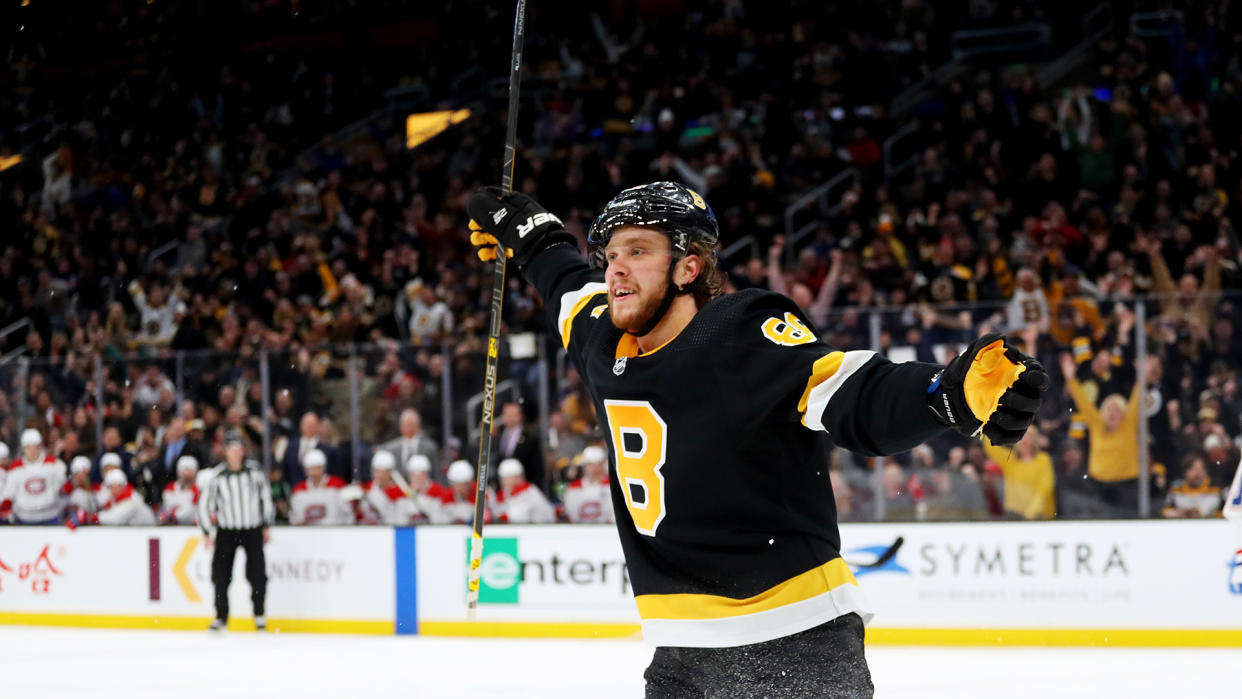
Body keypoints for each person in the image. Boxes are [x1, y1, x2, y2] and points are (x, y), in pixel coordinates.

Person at [467, 182, 1046, 697]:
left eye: (638, 251)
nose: (615, 269)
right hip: (679, 652)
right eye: (610, 255)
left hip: (793, 641)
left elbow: (853, 393)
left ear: (688, 268)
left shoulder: (742, 333)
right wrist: (533, 234)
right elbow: (566, 283)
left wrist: (945, 393)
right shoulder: (601, 337)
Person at [199, 433, 273, 632]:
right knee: (220, 575)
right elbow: (205, 504)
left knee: (257, 574)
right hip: (227, 531)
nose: (235, 452)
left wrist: (267, 524)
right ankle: (221, 616)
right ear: (225, 451)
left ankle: (259, 614)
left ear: (243, 450)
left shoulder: (254, 473)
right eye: (231, 448)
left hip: (252, 529)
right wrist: (206, 532)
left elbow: (265, 498)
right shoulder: (217, 476)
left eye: (238, 448)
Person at [1060, 354, 1142, 516]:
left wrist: (1142, 376)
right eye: (1109, 410)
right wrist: (1070, 378)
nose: (1113, 414)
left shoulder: (1129, 424)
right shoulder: (1097, 424)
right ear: (1103, 412)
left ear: (1124, 414)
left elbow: (1136, 399)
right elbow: (1083, 403)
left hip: (1127, 486)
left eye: (1117, 410)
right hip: (1099, 486)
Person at [982, 426, 1056, 520]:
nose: (1024, 441)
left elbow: (1045, 487)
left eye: (1028, 437)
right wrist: (989, 421)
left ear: (1034, 440)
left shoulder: (1043, 459)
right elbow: (991, 447)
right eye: (1020, 437)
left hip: (1040, 517)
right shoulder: (1010, 460)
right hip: (1014, 515)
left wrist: (1031, 512)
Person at [1, 429, 67, 524]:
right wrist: (6, 502)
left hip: (50, 515)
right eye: (29, 447)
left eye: (35, 447)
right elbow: (9, 491)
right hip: (24, 517)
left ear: (39, 447)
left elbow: (62, 484)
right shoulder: (16, 467)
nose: (32, 451)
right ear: (24, 448)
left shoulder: (53, 464)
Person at [289, 448, 350, 525]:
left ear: (323, 468)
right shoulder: (299, 489)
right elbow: (295, 516)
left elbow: (347, 513)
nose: (314, 471)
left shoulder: (337, 485)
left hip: (334, 530)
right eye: (311, 468)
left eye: (317, 467)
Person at [489, 458, 556, 524]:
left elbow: (519, 516)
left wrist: (501, 516)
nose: (504, 482)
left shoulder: (529, 491)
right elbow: (498, 510)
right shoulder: (507, 493)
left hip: (538, 530)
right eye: (503, 479)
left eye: (507, 479)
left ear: (517, 477)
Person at [379, 409, 440, 480]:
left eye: (412, 425)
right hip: (399, 488)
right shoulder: (390, 448)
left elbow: (437, 475)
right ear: (401, 427)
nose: (409, 428)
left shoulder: (430, 448)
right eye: (407, 425)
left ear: (418, 426)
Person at [362, 451, 417, 525]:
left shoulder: (401, 491)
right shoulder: (367, 490)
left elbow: (412, 512)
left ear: (390, 472)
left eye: (384, 472)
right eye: (377, 471)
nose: (379, 475)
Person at [563, 446, 614, 523]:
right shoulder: (573, 487)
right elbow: (570, 514)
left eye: (598, 464)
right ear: (585, 466)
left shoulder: (611, 486)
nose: (595, 468)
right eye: (591, 465)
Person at [1161, 454, 1223, 518]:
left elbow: (1228, 511)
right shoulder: (1176, 487)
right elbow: (1165, 511)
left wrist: (1212, 515)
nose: (1197, 474)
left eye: (1201, 469)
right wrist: (1182, 513)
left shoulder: (1217, 488)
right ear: (1185, 472)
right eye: (1193, 469)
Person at [440, 459, 489, 525]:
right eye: (457, 484)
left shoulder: (481, 493)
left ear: (470, 483)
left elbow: (489, 515)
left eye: (463, 484)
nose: (460, 488)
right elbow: (439, 519)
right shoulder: (446, 497)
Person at [406, 454, 449, 524]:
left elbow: (441, 521)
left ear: (426, 475)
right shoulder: (403, 494)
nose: (418, 479)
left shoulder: (437, 493)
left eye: (421, 475)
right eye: (414, 475)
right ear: (410, 476)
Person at [160, 455, 201, 525]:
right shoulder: (170, 488)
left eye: (190, 470)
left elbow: (196, 512)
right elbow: (169, 508)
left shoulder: (199, 489)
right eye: (185, 470)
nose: (187, 474)